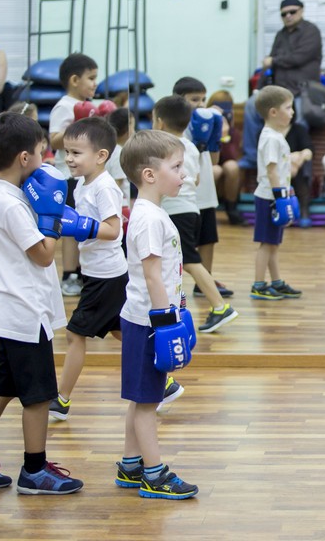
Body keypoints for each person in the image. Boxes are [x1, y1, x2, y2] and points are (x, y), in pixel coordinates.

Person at [0, 112, 83, 494]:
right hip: (25, 312)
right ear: (24, 158)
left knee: (1, 386)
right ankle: (34, 471)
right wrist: (53, 221)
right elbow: (42, 254)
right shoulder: (10, 204)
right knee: (38, 396)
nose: (46, 159)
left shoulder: (6, 195)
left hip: (15, 310)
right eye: (42, 152)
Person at [116, 129, 198, 500]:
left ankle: (131, 463)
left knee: (142, 396)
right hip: (149, 322)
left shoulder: (153, 213)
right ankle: (153, 473)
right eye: (177, 167)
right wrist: (167, 323)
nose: (184, 174)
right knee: (150, 400)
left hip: (144, 319)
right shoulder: (149, 218)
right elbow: (151, 274)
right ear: (149, 174)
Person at [45, 117, 126, 421]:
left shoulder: (104, 188)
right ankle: (165, 381)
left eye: (76, 153)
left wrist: (81, 226)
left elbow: (113, 229)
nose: (68, 158)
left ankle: (62, 399)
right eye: (67, 151)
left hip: (106, 275)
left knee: (75, 334)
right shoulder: (81, 184)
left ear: (101, 156)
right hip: (99, 271)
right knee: (122, 331)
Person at [154, 95, 238, 333]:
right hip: (190, 209)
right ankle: (169, 307)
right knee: (174, 261)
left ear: (159, 122)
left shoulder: (163, 147)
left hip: (177, 211)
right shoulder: (189, 146)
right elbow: (198, 178)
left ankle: (220, 307)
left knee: (190, 261)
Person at [242, 0, 322, 171]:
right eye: (284, 14)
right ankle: (252, 158)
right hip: (279, 92)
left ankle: (300, 169)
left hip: (303, 91)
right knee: (250, 106)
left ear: (301, 11)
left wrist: (274, 60)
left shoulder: (311, 31)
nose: (288, 16)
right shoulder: (280, 35)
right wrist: (258, 90)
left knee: (298, 117)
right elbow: (268, 66)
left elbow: (299, 57)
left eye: (292, 12)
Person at [173, 77, 234, 300]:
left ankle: (204, 281)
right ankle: (175, 282)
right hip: (184, 193)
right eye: (194, 99)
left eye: (203, 99)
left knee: (208, 238)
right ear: (179, 100)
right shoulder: (177, 127)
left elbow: (215, 160)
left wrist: (214, 137)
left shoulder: (207, 121)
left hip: (206, 191)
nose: (200, 104)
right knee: (181, 243)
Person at [49, 53, 99, 297]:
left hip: (87, 176)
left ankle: (81, 271)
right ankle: (69, 273)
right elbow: (54, 140)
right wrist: (77, 122)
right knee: (69, 227)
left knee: (85, 223)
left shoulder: (92, 105)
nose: (95, 83)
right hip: (67, 175)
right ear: (74, 80)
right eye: (91, 78)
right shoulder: (64, 106)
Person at [250, 85, 303, 300]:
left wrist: (286, 190)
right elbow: (272, 170)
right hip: (269, 198)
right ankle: (258, 285)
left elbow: (280, 170)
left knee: (273, 242)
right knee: (266, 243)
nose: (292, 112)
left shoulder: (276, 136)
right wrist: (280, 197)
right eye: (288, 108)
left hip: (275, 195)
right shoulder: (271, 137)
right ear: (273, 112)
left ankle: (277, 282)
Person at [207, 91, 244, 225]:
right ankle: (208, 212)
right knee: (215, 169)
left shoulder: (233, 132)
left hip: (228, 180)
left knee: (232, 166)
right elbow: (209, 159)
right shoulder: (204, 129)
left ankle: (231, 209)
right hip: (209, 172)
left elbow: (231, 157)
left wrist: (224, 135)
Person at [285, 119, 313, 228]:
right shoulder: (267, 132)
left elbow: (309, 150)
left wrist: (298, 160)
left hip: (297, 169)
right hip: (277, 169)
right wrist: (289, 160)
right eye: (287, 108)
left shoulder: (299, 129)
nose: (291, 112)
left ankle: (304, 209)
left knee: (306, 164)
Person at [105, 107, 134, 215]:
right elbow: (117, 184)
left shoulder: (112, 149)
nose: (134, 130)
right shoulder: (118, 153)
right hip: (119, 207)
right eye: (132, 125)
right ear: (126, 129)